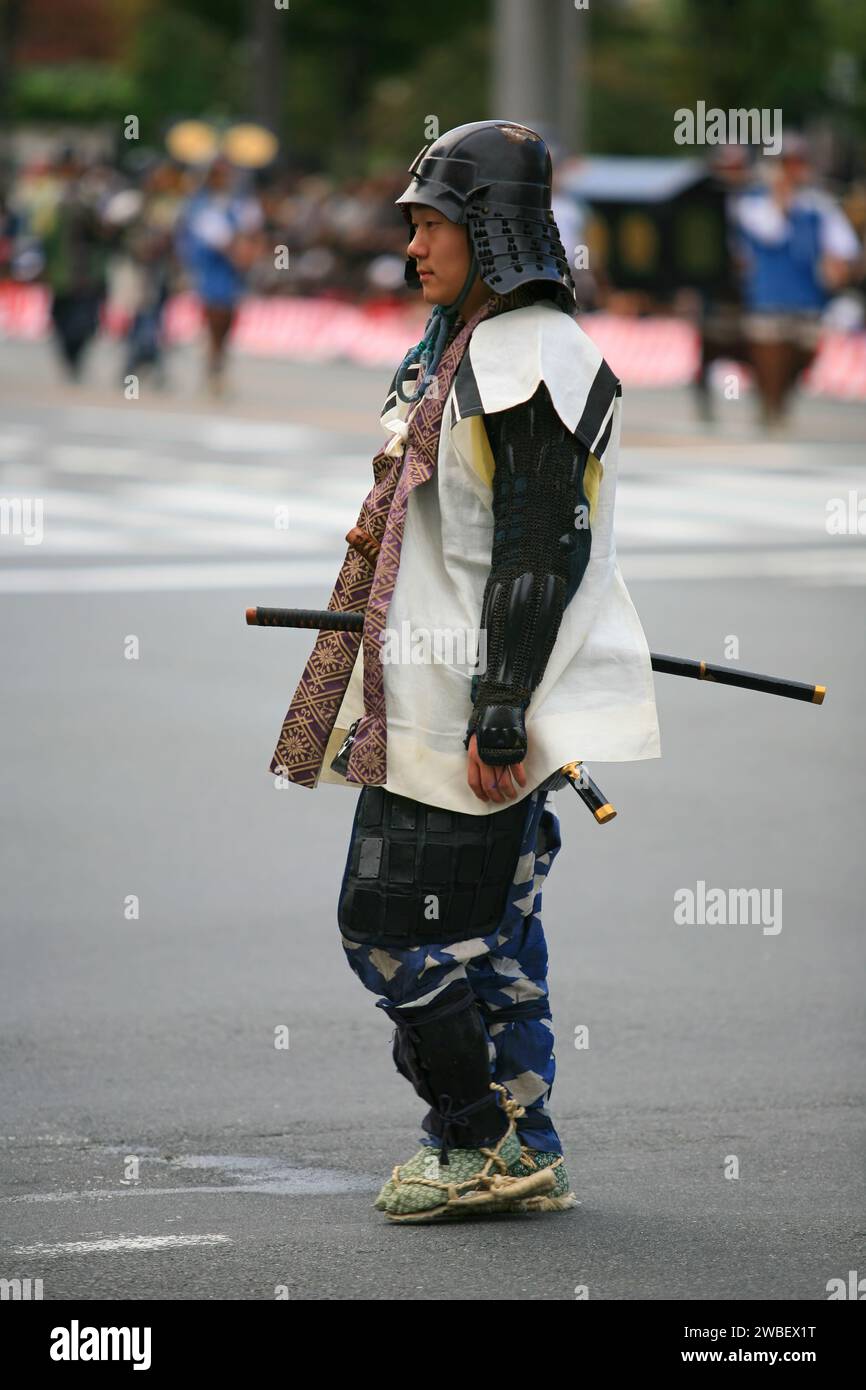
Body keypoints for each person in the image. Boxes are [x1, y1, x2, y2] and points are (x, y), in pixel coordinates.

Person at [268, 121, 661, 1223]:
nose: (412, 247)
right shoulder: (468, 342)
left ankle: (477, 1137)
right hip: (455, 694)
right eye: (408, 223)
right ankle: (523, 1144)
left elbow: (542, 543)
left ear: (489, 228)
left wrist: (498, 715)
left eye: (431, 222)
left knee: (385, 930)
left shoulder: (531, 355)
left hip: (475, 705)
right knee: (493, 943)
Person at [732, 133, 861, 427]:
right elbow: (770, 231)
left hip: (807, 296)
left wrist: (837, 265)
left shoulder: (819, 206)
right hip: (767, 295)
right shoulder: (752, 202)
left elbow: (844, 246)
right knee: (769, 354)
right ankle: (770, 407)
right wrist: (780, 194)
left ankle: (781, 400)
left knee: (803, 353)